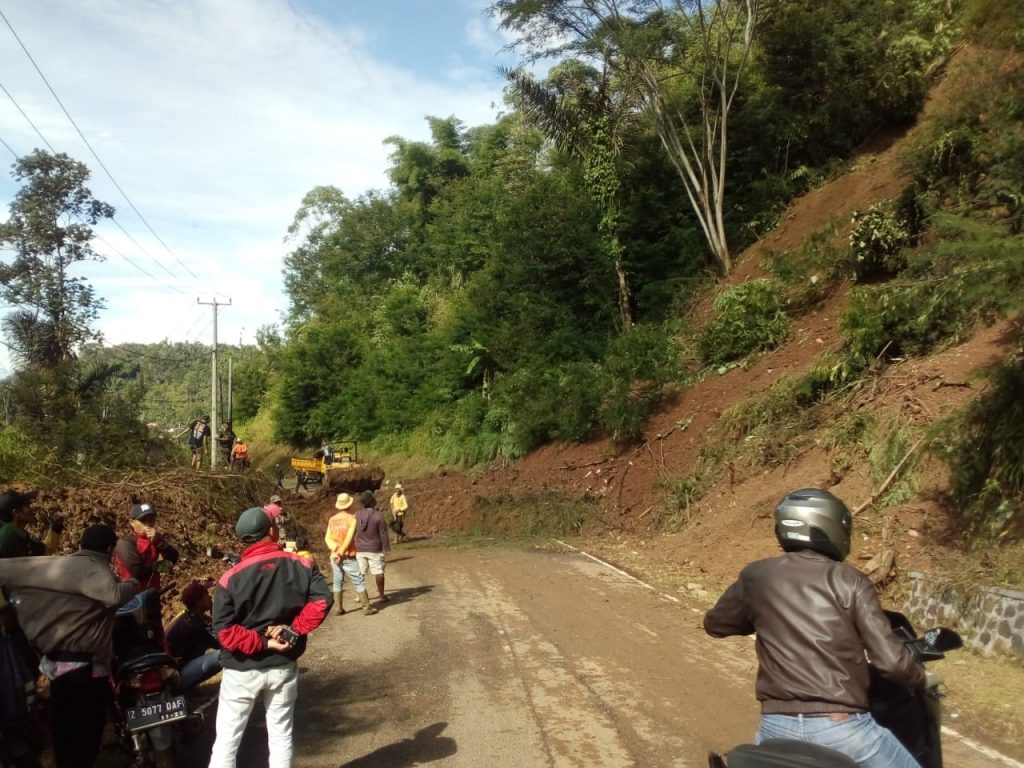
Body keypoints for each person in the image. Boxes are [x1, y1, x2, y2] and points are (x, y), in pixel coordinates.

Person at [703, 488, 926, 768]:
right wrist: (919, 680)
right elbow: (892, 662)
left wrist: (763, 616)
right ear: (831, 525)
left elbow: (716, 624)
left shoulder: (757, 576)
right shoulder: (852, 581)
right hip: (843, 728)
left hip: (775, 726)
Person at [0, 524, 139, 768]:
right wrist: (133, 584)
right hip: (84, 668)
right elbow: (114, 595)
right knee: (85, 733)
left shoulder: (58, 566)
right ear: (109, 549)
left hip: (57, 663)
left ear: (80, 545)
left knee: (65, 731)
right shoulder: (94, 568)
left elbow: (9, 568)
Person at [208, 506, 332, 768]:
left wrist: (263, 642)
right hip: (283, 666)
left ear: (243, 540)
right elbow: (322, 600)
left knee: (227, 742)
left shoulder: (229, 579)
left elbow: (225, 633)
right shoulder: (302, 564)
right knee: (280, 735)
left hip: (241, 671)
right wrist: (293, 629)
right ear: (272, 531)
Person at [324, 493, 376, 617]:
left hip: (334, 556)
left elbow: (327, 538)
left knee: (337, 582)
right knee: (358, 580)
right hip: (347, 555)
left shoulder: (332, 519)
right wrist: (341, 551)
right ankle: (366, 608)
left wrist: (336, 550)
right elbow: (349, 537)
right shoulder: (352, 518)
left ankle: (338, 608)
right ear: (349, 504)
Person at [166, 581, 221, 690]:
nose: (210, 597)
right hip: (177, 679)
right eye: (206, 594)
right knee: (224, 655)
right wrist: (217, 613)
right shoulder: (194, 625)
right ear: (198, 602)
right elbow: (221, 643)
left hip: (175, 673)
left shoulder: (187, 616)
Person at [113, 502, 180, 591]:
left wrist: (159, 543)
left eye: (151, 519)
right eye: (143, 520)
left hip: (152, 595)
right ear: (132, 522)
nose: (148, 524)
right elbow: (138, 573)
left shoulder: (155, 540)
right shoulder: (125, 543)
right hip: (133, 598)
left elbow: (173, 559)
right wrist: (159, 566)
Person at [0, 489, 62, 558]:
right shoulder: (8, 535)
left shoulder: (18, 535)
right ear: (16, 512)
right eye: (27, 506)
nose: (32, 509)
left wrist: (56, 527)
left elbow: (44, 550)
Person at [354, 490, 390, 604]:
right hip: (375, 548)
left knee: (360, 573)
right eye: (373, 499)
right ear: (371, 502)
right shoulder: (378, 515)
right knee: (378, 572)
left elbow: (353, 531)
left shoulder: (357, 514)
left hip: (360, 549)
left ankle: (359, 596)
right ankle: (381, 596)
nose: (375, 500)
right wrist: (386, 548)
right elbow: (383, 533)